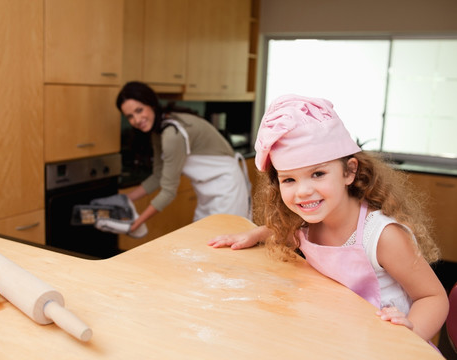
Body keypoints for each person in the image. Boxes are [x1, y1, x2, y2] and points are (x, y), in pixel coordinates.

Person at [208, 94, 449, 343]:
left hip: (388, 345)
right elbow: (286, 230)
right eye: (289, 179)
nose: (302, 191)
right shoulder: (305, 224)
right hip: (341, 335)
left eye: (318, 174)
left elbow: (433, 298)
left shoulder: (382, 237)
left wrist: (409, 338)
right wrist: (256, 233)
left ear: (349, 171)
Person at [116, 81, 251, 233]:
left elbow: (168, 191)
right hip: (207, 190)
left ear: (151, 104)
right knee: (203, 240)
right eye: (130, 116)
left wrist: (135, 224)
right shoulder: (159, 129)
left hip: (227, 189)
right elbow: (158, 176)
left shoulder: (171, 133)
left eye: (139, 110)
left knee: (223, 241)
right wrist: (124, 199)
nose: (137, 119)